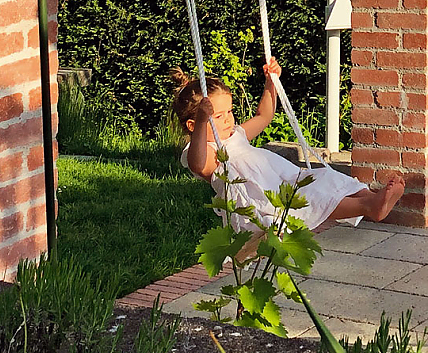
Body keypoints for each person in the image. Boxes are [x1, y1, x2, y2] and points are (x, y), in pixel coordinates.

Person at [170, 58, 405, 233]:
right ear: (192, 125)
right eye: (218, 116)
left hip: (286, 177)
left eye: (230, 112)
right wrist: (203, 122)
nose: (229, 119)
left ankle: (372, 197)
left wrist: (271, 83)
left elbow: (264, 116)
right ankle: (369, 206)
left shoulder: (236, 133)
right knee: (312, 199)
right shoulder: (206, 151)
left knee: (327, 179)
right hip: (267, 197)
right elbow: (198, 165)